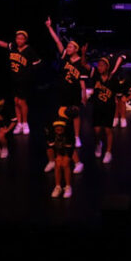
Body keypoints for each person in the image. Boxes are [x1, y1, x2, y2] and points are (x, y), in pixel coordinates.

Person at [45, 16, 89, 165]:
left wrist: (84, 95)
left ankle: (77, 137)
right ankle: (64, 135)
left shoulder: (80, 64)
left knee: (75, 114)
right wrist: (49, 27)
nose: (68, 48)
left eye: (70, 47)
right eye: (67, 47)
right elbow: (58, 42)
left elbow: (82, 81)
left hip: (74, 92)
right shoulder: (65, 57)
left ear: (76, 49)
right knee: (62, 113)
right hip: (62, 91)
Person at [0, 29, 42, 135]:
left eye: (22, 39)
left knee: (22, 102)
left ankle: (25, 123)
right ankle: (19, 123)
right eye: (17, 38)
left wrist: (28, 74)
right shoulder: (13, 47)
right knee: (16, 101)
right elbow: (4, 44)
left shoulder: (29, 50)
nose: (19, 40)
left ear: (25, 40)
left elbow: (37, 64)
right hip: (14, 80)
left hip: (24, 81)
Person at [89, 55, 123, 164]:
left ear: (107, 67)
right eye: (98, 65)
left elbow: (119, 95)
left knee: (108, 130)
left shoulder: (113, 80)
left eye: (102, 65)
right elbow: (84, 65)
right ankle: (98, 144)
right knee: (97, 131)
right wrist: (84, 54)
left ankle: (108, 152)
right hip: (97, 107)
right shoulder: (95, 76)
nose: (99, 67)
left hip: (109, 108)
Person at [48, 117, 75, 198]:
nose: (59, 129)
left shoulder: (69, 135)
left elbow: (69, 150)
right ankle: (58, 187)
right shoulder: (51, 135)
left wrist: (66, 158)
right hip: (58, 151)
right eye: (57, 128)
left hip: (67, 151)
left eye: (61, 128)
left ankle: (68, 187)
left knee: (65, 164)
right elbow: (52, 148)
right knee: (57, 164)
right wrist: (57, 157)